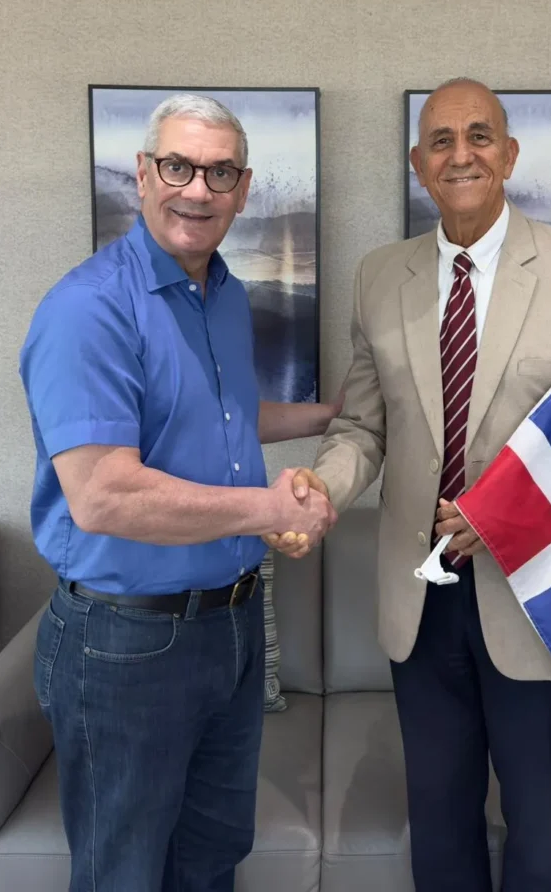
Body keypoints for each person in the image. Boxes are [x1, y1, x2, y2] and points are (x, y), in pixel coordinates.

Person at [268, 78, 551, 892]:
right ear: (420, 165)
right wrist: (321, 486)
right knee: (442, 828)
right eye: (443, 141)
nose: (462, 154)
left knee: (539, 833)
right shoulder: (379, 277)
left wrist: (512, 513)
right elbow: (365, 430)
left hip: (541, 596)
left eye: (480, 136)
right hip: (419, 605)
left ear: (510, 154)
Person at [20, 93, 337, 892]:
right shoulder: (88, 309)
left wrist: (333, 415)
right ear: (143, 175)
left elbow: (215, 419)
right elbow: (104, 496)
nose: (197, 189)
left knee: (210, 859)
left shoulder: (221, 293)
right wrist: (272, 510)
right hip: (124, 643)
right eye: (178, 166)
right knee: (124, 873)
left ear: (244, 186)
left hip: (230, 629)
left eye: (219, 172)